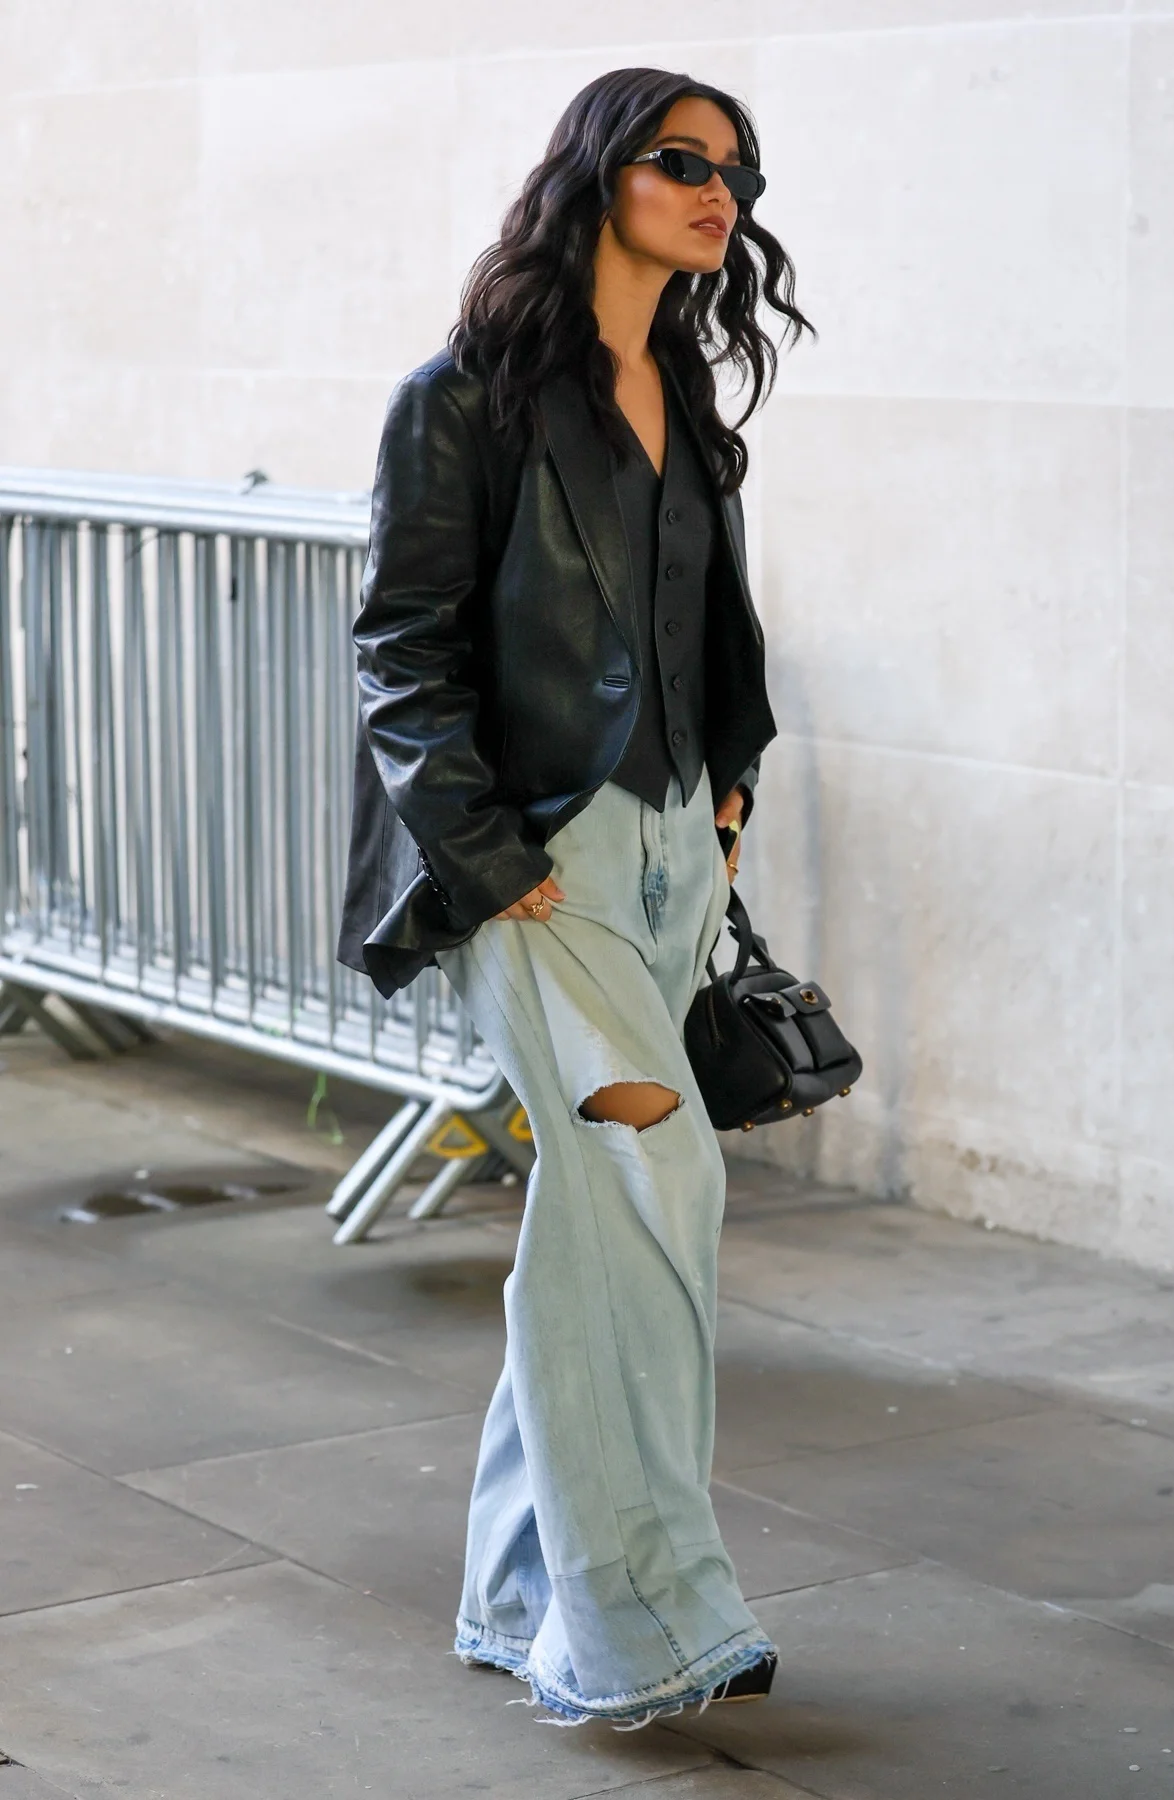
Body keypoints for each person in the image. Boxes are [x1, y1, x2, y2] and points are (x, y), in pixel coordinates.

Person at [336, 67, 813, 1726]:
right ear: (597, 174)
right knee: (651, 1175)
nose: (718, 191)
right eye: (682, 160)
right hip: (541, 864)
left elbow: (706, 619)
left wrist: (731, 778)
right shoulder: (460, 398)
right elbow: (401, 648)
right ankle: (646, 1625)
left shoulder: (684, 385)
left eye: (737, 171)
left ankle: (514, 1593)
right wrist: (489, 859)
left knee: (601, 1219)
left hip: (674, 844)